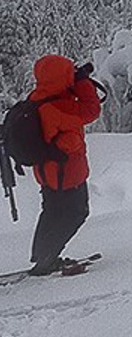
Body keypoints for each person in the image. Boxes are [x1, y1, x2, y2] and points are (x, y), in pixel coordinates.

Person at [26, 54, 103, 276]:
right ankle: (48, 259)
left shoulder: (38, 98)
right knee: (77, 213)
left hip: (48, 173)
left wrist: (72, 83)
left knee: (51, 211)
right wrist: (81, 82)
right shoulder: (60, 107)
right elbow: (91, 110)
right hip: (66, 173)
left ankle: (42, 255)